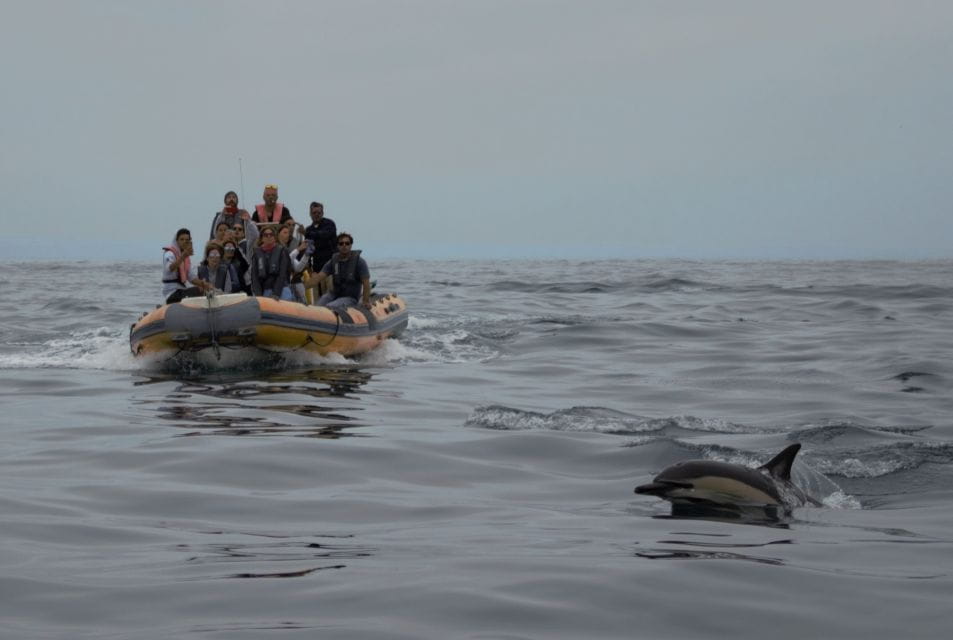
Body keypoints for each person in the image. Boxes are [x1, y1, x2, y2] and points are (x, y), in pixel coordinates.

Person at [306, 232, 371, 309]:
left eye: (347, 243)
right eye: (341, 243)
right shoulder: (333, 261)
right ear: (337, 246)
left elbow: (366, 283)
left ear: (351, 245)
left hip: (350, 298)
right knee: (317, 306)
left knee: (330, 307)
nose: (344, 246)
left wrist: (365, 301)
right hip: (334, 294)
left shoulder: (359, 262)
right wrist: (303, 287)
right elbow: (318, 278)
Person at [162, 228, 210, 303]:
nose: (184, 242)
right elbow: (170, 268)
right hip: (171, 293)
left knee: (201, 288)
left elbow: (191, 277)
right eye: (182, 239)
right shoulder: (169, 254)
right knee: (197, 291)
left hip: (181, 290)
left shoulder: (186, 258)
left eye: (187, 240)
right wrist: (183, 256)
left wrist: (204, 284)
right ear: (177, 241)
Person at [249, 226, 293, 300]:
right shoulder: (256, 254)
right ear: (262, 238)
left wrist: (276, 293)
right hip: (266, 289)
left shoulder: (282, 251)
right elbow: (254, 277)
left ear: (275, 237)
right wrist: (259, 295)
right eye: (266, 235)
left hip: (282, 288)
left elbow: (283, 273)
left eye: (271, 234)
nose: (268, 236)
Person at [303, 201, 337, 295]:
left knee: (331, 294)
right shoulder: (309, 230)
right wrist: (310, 270)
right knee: (317, 298)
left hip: (331, 268)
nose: (316, 215)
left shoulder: (329, 224)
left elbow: (324, 235)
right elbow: (308, 251)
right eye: (314, 213)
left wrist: (306, 233)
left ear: (322, 213)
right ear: (310, 214)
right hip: (317, 269)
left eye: (319, 213)